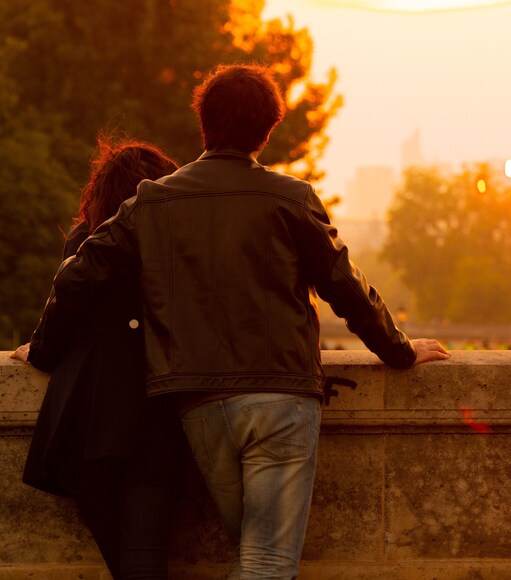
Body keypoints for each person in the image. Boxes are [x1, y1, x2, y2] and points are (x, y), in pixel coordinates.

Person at [19, 64, 450, 578]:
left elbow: (74, 277)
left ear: (202, 121)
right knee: (266, 562)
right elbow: (345, 287)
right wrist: (399, 350)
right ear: (269, 129)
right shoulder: (290, 197)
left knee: (251, 553)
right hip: (281, 395)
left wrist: (42, 351)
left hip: (200, 403)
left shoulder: (154, 200)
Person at [11, 137, 185, 578]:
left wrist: (40, 349)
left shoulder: (85, 240)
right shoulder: (177, 246)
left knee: (124, 561)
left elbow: (62, 313)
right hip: (154, 419)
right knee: (144, 560)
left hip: (88, 426)